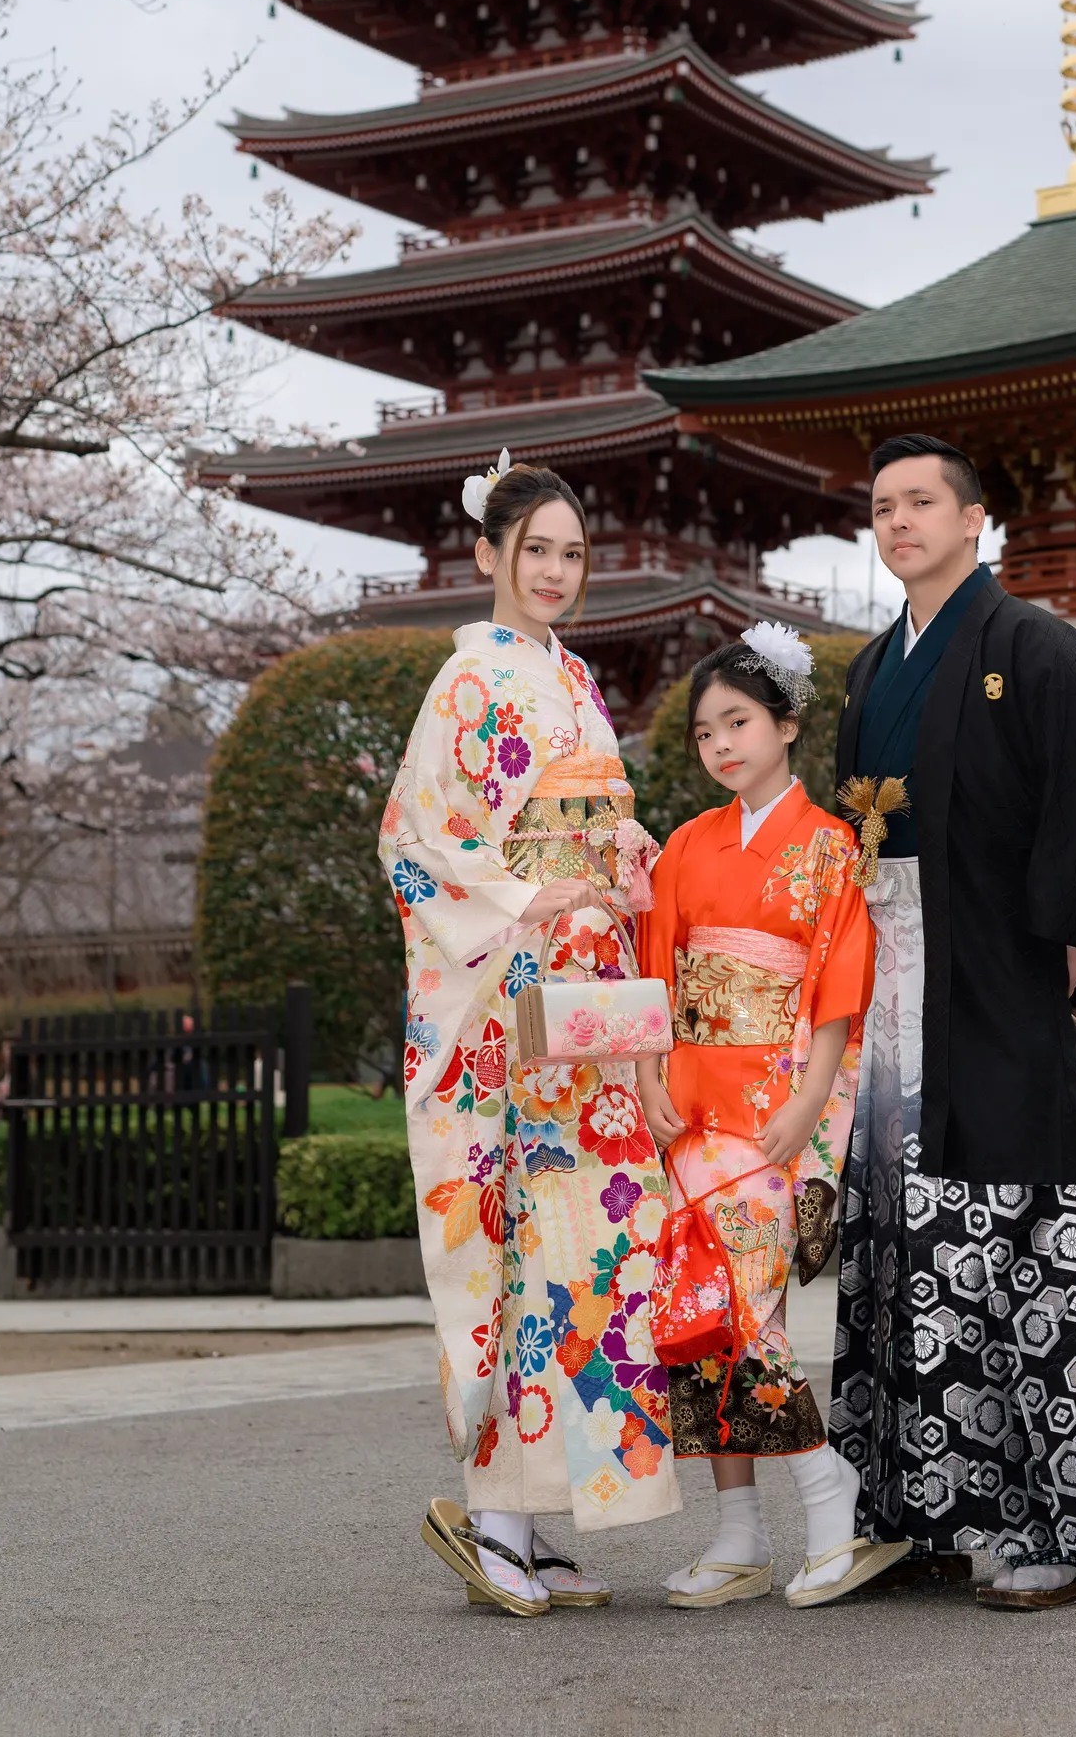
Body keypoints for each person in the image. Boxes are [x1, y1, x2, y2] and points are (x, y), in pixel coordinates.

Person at [827, 433, 1076, 1611]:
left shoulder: (1029, 642)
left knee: (1016, 1247)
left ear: (976, 519)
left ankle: (1061, 1526)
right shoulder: (874, 667)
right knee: (908, 1248)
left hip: (995, 978)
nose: (900, 521)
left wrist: (1067, 934)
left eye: (922, 501)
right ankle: (927, 1513)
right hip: (892, 980)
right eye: (882, 507)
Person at [380, 454, 680, 1617]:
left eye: (572, 553)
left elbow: (588, 819)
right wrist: (523, 899)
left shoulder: (577, 677)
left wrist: (622, 854)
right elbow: (416, 843)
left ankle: (544, 1513)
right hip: (506, 1011)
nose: (555, 572)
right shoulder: (468, 684)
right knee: (510, 1241)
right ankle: (494, 1509)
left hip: (588, 1003)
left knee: (591, 1251)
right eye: (535, 551)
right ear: (489, 557)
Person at [637, 626, 889, 1610]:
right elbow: (658, 969)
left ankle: (830, 1496)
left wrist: (811, 1100)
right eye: (705, 732)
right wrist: (650, 1069)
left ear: (787, 724)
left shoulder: (828, 845)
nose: (722, 744)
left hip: (778, 1098)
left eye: (739, 722)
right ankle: (739, 1533)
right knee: (699, 1319)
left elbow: (838, 985)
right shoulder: (688, 846)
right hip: (694, 1103)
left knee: (750, 1310)